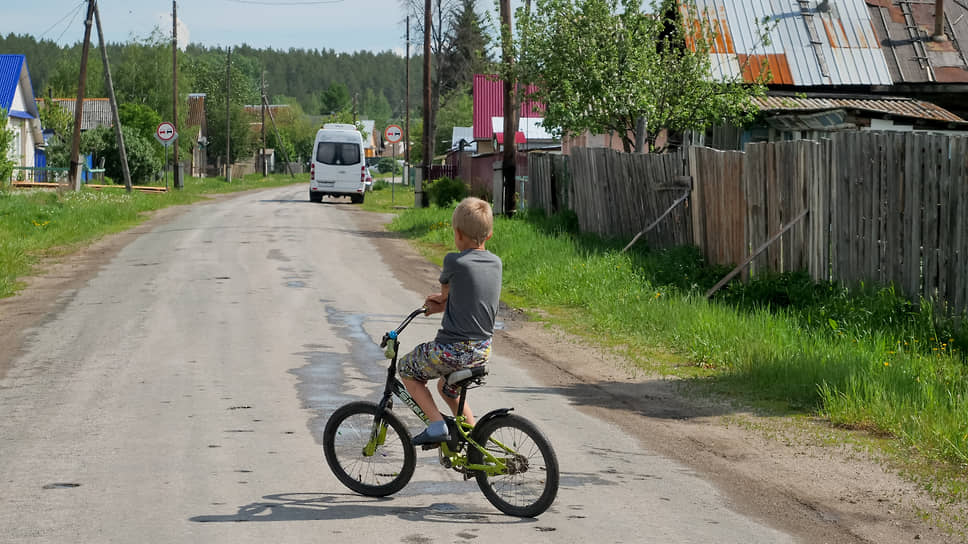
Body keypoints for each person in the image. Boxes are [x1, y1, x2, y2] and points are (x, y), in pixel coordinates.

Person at [398, 197, 503, 445]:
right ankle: (476, 438)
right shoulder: (496, 263)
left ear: (457, 234)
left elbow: (445, 295)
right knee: (447, 387)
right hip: (482, 350)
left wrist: (435, 304)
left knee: (406, 368)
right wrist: (443, 305)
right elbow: (467, 298)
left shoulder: (453, 261)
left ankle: (436, 425)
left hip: (453, 350)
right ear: (489, 235)